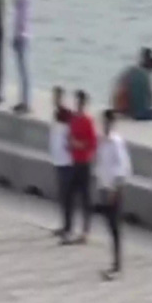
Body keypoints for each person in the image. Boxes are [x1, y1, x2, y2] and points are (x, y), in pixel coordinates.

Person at [95, 109, 132, 280]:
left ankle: (118, 265)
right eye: (104, 122)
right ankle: (114, 262)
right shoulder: (103, 141)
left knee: (115, 227)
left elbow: (123, 168)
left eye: (108, 122)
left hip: (113, 190)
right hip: (104, 187)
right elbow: (101, 163)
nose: (106, 125)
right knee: (109, 226)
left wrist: (115, 190)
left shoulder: (116, 143)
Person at [63, 89, 97, 245]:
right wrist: (69, 145)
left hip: (84, 163)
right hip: (73, 162)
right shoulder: (73, 120)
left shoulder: (88, 121)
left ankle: (85, 231)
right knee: (69, 196)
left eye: (81, 102)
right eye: (77, 102)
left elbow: (93, 144)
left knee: (85, 198)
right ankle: (68, 228)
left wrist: (79, 144)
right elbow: (69, 137)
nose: (78, 105)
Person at [112, 47, 152, 121]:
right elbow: (148, 102)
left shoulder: (130, 71)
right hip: (137, 113)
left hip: (122, 109)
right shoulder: (144, 76)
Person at [49, 86, 73, 236]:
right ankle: (65, 224)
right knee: (62, 195)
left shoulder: (66, 115)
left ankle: (68, 226)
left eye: (57, 97)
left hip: (66, 161)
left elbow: (70, 134)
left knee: (67, 195)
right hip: (58, 160)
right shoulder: (56, 114)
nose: (55, 100)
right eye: (54, 97)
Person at [11, 0, 31, 113]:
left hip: (21, 36)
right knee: (23, 71)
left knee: (24, 71)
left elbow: (20, 20)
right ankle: (24, 100)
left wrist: (17, 36)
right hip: (23, 34)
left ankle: (25, 102)